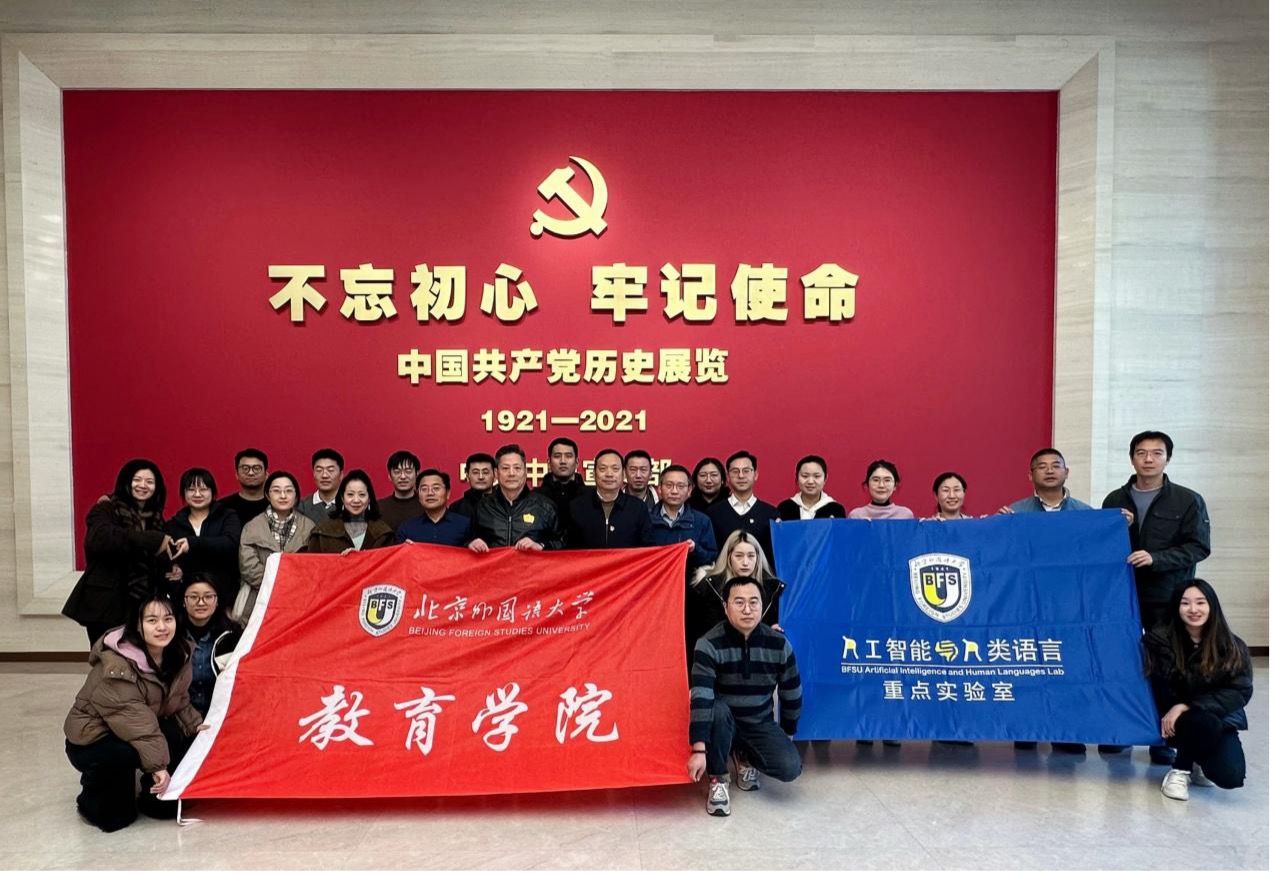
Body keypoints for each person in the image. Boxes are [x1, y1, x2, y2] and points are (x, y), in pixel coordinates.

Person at [63, 594, 205, 831]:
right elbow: (137, 725)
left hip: (135, 729)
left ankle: (152, 795)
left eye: (168, 618)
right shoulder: (117, 667)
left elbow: (178, 700)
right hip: (93, 739)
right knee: (116, 817)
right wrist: (158, 767)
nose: (162, 627)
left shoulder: (178, 652)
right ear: (137, 626)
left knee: (165, 803)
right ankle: (92, 794)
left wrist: (195, 725)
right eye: (152, 620)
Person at [688, 577, 802, 817]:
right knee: (717, 709)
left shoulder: (779, 644)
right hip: (723, 723)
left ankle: (744, 755)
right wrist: (698, 750)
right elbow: (701, 697)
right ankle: (718, 778)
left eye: (754, 602)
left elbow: (791, 691)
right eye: (739, 602)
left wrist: (787, 733)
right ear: (725, 606)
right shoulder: (708, 644)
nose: (747, 609)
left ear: (763, 605)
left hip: (759, 723)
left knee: (790, 767)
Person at [1143, 579, 1251, 801]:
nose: (1193, 609)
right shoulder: (1158, 640)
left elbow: (1240, 691)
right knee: (1202, 722)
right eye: (1185, 603)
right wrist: (1177, 707)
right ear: (1177, 607)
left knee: (1231, 776)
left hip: (1215, 717)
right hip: (1171, 719)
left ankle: (1196, 756)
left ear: (1212, 606)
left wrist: (1187, 705)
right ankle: (1180, 769)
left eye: (1200, 602)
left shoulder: (1232, 645)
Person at [1102, 431, 1211, 632]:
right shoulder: (1114, 499)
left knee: (1164, 647)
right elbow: (1104, 546)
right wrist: (1119, 528)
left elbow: (1199, 547)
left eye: (1157, 453)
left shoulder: (1188, 500)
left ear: (1168, 459)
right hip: (1123, 592)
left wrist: (1156, 558)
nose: (1148, 459)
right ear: (1132, 459)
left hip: (1168, 595)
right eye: (1141, 453)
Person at [63, 459, 178, 648]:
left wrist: (172, 567)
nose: (143, 485)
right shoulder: (106, 508)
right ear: (126, 481)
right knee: (107, 657)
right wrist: (152, 539)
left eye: (149, 482)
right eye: (137, 480)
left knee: (140, 656)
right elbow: (100, 540)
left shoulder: (156, 518)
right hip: (106, 603)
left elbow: (154, 557)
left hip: (141, 601)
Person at [687, 530, 783, 670]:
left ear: (758, 558)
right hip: (719, 665)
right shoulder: (709, 588)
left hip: (760, 667)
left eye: (751, 556)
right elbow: (698, 634)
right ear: (728, 557)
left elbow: (774, 630)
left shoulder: (773, 589)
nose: (745, 562)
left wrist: (772, 632)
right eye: (739, 556)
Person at [235, 470, 315, 624]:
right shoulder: (252, 527)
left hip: (299, 600)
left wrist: (291, 587)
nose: (283, 496)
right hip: (259, 599)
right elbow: (248, 567)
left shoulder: (309, 527)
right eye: (276, 491)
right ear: (267, 494)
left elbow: (312, 565)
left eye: (288, 491)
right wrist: (275, 586)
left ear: (296, 495)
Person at [165, 467, 242, 604]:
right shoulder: (173, 524)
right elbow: (168, 557)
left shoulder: (227, 516)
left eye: (203, 489)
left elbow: (231, 543)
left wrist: (193, 543)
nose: (197, 494)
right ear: (183, 493)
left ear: (212, 492)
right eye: (191, 490)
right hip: (187, 597)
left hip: (224, 594)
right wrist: (174, 567)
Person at [468, 444, 562, 552]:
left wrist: (541, 545)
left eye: (517, 468)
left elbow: (562, 543)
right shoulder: (483, 507)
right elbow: (463, 540)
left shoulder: (545, 507)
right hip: (495, 564)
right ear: (496, 473)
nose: (511, 473)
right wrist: (471, 543)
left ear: (525, 472)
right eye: (505, 468)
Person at [565, 448, 654, 549]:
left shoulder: (638, 508)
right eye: (603, 469)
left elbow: (648, 549)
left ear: (623, 474)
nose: (609, 474)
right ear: (594, 473)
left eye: (615, 469)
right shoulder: (577, 507)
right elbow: (569, 550)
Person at [179, 573, 241, 717]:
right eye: (193, 597)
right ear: (184, 601)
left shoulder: (233, 637)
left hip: (222, 715)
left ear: (217, 600)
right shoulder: (172, 636)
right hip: (181, 717)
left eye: (208, 596)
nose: (201, 603)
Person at [704, 450, 780, 565]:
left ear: (755, 475)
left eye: (746, 471)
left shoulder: (771, 514)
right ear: (728, 477)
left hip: (760, 575)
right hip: (724, 575)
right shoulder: (713, 513)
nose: (741, 476)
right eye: (735, 471)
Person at [649, 464, 718, 581]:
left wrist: (695, 549)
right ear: (659, 488)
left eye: (680, 486)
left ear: (689, 490)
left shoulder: (702, 521)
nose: (674, 491)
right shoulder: (646, 519)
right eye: (669, 485)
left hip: (688, 586)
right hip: (654, 584)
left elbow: (711, 558)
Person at [306, 470, 395, 554]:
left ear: (369, 499)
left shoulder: (383, 534)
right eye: (350, 494)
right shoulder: (322, 532)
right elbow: (312, 563)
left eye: (362, 495)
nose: (356, 500)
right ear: (342, 498)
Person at [998, 448, 1090, 513]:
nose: (1050, 471)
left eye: (1056, 466)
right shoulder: (1016, 511)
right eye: (1042, 467)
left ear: (1066, 472)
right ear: (1031, 475)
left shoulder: (1085, 512)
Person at [396, 469, 472, 546]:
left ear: (448, 493)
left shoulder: (465, 525)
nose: (430, 493)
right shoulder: (407, 529)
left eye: (436, 488)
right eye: (424, 489)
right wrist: (404, 549)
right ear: (418, 495)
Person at [777, 455, 847, 520]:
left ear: (825, 478)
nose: (810, 481)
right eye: (805, 476)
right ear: (797, 478)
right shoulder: (784, 508)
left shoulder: (836, 510)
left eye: (817, 476)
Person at [216, 448, 269, 527]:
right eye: (245, 468)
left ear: (266, 474)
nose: (251, 473)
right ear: (237, 474)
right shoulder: (221, 507)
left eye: (256, 468)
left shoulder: (277, 506)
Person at [848, 459, 915, 519]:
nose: (881, 485)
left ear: (895, 485)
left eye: (887, 480)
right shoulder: (856, 516)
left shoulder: (905, 515)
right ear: (867, 484)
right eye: (876, 480)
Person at [537, 437, 586, 517]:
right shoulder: (536, 497)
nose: (563, 461)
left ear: (577, 462)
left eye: (568, 456)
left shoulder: (590, 497)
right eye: (557, 456)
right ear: (549, 462)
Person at [379, 450, 423, 534]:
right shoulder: (379, 508)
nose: (403, 476)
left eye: (408, 471)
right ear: (389, 476)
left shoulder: (427, 505)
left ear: (417, 474)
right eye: (397, 472)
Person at [299, 448, 344, 524]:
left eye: (330, 470)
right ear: (313, 474)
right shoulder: (301, 507)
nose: (324, 475)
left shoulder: (352, 506)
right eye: (319, 470)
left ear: (341, 475)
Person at [449, 452, 496, 518]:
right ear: (467, 476)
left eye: (485, 472)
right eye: (475, 472)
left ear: (495, 475)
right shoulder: (456, 508)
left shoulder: (505, 505)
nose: (481, 477)